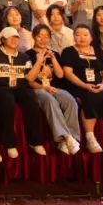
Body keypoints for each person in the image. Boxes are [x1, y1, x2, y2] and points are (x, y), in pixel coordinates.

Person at [0, 27, 47, 159]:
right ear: (3, 39)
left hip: (20, 87)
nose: (14, 40)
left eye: (16, 37)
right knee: (7, 101)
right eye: (10, 37)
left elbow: (30, 78)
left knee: (31, 99)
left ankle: (35, 142)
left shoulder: (24, 57)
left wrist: (39, 62)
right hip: (0, 87)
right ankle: (10, 143)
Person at [59, 25, 103, 154]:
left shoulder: (98, 51)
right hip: (77, 86)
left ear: (91, 37)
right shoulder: (68, 51)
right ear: (74, 37)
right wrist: (85, 85)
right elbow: (68, 73)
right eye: (78, 34)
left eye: (85, 35)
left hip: (98, 85)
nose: (81, 37)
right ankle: (90, 139)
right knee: (89, 97)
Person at [25, 25, 81, 155]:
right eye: (39, 36)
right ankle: (64, 137)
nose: (43, 39)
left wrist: (53, 58)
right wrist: (39, 61)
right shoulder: (27, 55)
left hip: (54, 88)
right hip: (38, 88)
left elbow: (60, 75)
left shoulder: (54, 53)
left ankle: (73, 138)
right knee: (49, 100)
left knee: (70, 100)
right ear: (34, 37)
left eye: (46, 37)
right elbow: (30, 80)